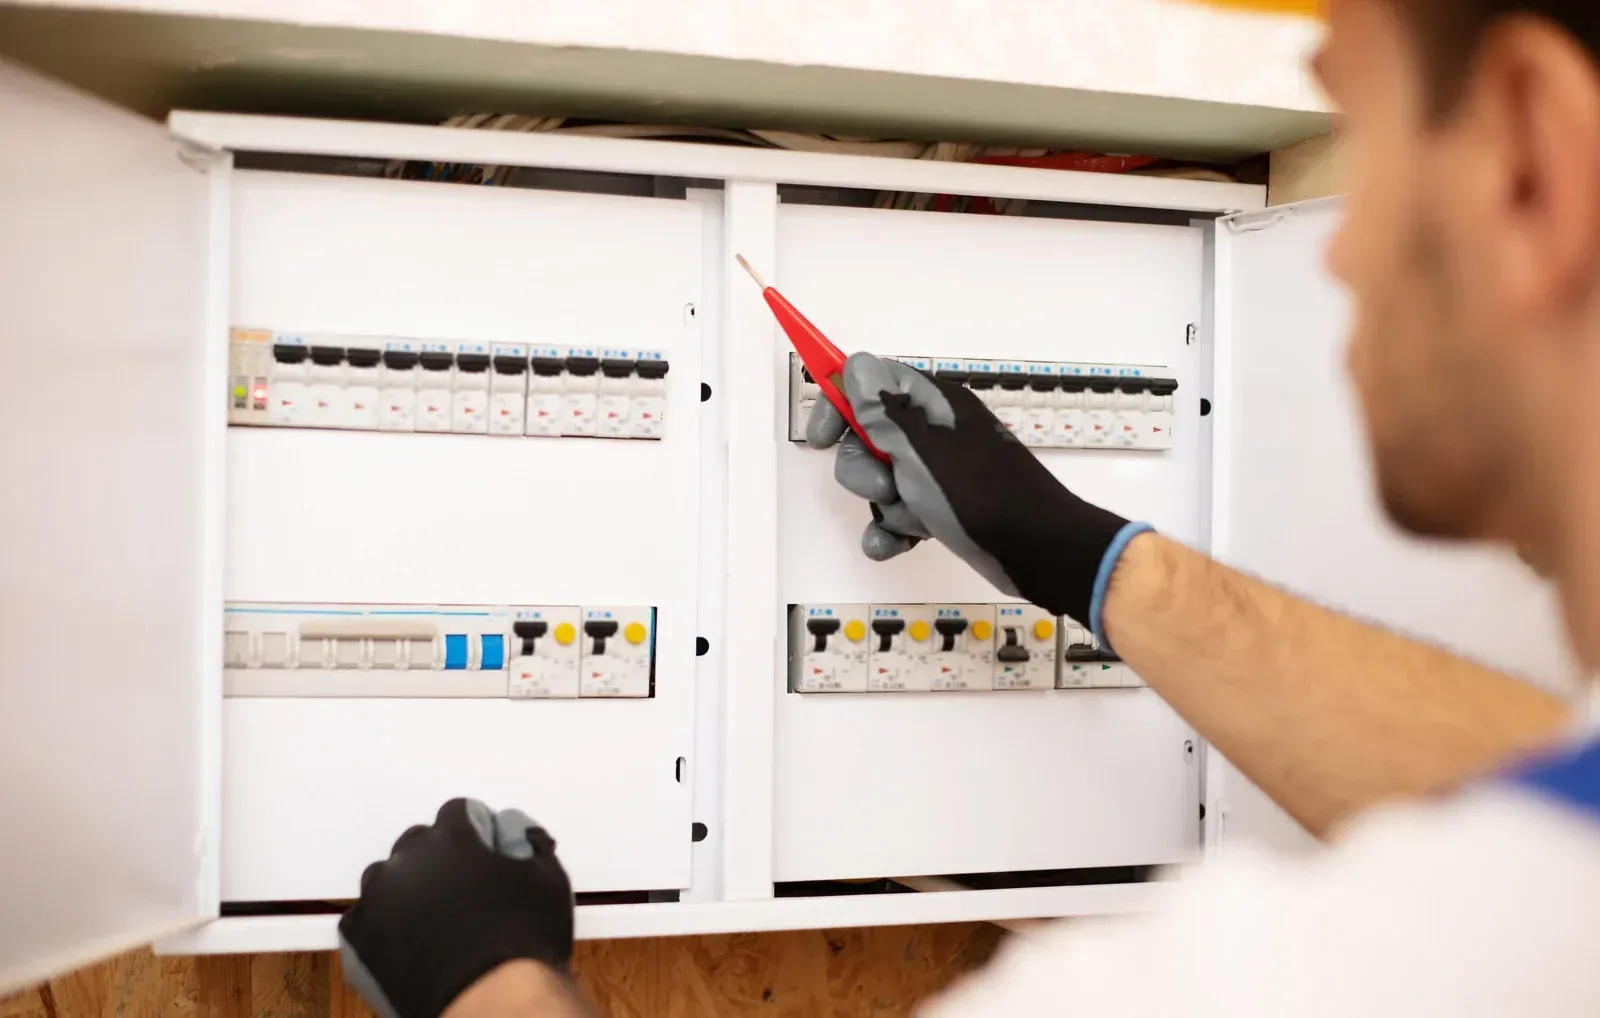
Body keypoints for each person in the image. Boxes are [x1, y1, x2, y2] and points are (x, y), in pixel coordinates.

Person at [337, 0, 1600, 1014]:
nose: (1335, 247)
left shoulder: (1306, 974)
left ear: (1534, 159)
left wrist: (489, 984)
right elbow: (1519, 789)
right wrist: (1080, 551)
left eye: (1373, 135)